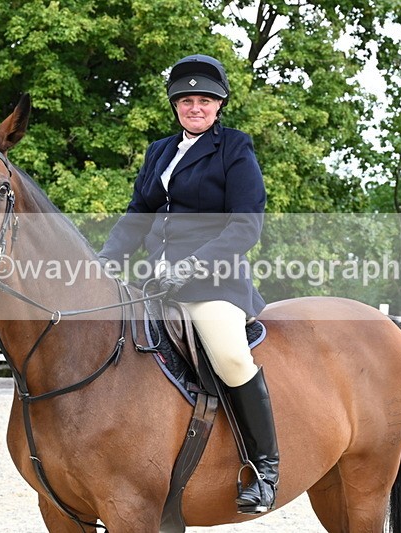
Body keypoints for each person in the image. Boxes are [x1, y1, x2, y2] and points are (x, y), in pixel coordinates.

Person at [98, 54, 278, 514]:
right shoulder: (160, 150)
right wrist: (103, 262)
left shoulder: (234, 148)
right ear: (176, 105)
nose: (195, 107)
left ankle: (264, 467)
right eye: (186, 100)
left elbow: (245, 226)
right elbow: (140, 213)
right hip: (155, 281)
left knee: (231, 356)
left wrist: (190, 267)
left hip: (213, 283)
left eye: (204, 100)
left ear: (218, 105)